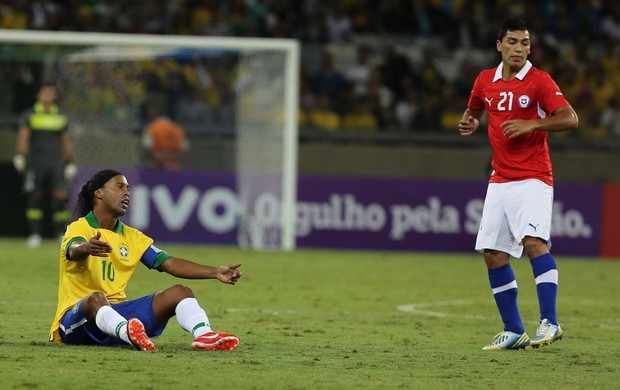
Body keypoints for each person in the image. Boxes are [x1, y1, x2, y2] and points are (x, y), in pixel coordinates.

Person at [458, 18, 579, 350]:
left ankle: (550, 323)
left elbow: (570, 118)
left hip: (533, 177)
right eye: (513, 42)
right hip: (499, 179)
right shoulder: (485, 80)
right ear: (500, 45)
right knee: (494, 253)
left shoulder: (539, 81)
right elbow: (475, 108)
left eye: (525, 43)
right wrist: (471, 121)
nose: (519, 49)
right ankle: (513, 330)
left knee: (533, 243)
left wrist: (533, 124)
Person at [49, 169, 242, 351]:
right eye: (119, 187)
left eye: (128, 189)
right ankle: (128, 333)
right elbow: (72, 249)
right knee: (96, 298)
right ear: (99, 193)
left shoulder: (133, 237)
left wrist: (215, 272)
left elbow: (170, 263)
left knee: (181, 292)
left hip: (116, 318)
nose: (127, 193)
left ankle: (204, 335)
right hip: (74, 323)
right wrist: (86, 247)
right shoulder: (79, 228)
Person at [13, 82, 77, 248]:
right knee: (35, 196)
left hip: (56, 163)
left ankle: (60, 234)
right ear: (38, 95)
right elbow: (23, 136)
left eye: (51, 92)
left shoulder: (61, 116)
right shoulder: (30, 115)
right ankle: (35, 235)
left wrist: (70, 162)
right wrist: (20, 155)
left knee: (59, 197)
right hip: (36, 162)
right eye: (45, 92)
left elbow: (65, 141)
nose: (48, 95)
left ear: (54, 96)